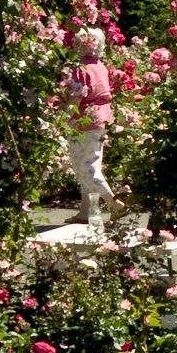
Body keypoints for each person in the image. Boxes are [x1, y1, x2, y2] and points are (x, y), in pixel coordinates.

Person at [64, 27, 125, 224]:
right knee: (92, 163)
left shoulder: (80, 69)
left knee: (85, 167)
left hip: (84, 121)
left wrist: (61, 122)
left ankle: (114, 203)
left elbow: (75, 100)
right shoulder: (100, 66)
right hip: (100, 119)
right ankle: (86, 211)